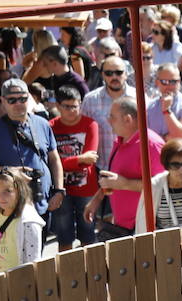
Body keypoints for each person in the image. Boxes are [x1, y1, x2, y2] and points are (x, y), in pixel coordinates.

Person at [0, 78, 65, 225]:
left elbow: (54, 159)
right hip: (10, 208)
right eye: (12, 100)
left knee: (39, 247)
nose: (18, 104)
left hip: (41, 202)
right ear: (3, 101)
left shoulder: (42, 123)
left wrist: (59, 190)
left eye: (22, 99)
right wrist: (9, 171)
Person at [86, 96, 164, 239]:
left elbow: (162, 186)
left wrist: (125, 184)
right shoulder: (120, 141)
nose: (108, 121)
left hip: (146, 228)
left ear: (128, 119)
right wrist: (97, 198)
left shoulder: (151, 145)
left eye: (112, 117)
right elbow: (113, 179)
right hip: (124, 227)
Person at [48, 85, 100, 250]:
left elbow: (90, 159)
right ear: (58, 106)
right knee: (64, 237)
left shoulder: (90, 124)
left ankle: (91, 272)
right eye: (67, 106)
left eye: (75, 106)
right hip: (61, 189)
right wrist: (79, 159)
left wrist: (63, 162)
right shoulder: (50, 127)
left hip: (86, 189)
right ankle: (66, 272)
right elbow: (50, 162)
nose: (72, 110)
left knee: (88, 234)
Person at [0, 167, 45, 273]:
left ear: (19, 190)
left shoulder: (29, 220)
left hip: (21, 280)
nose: (1, 196)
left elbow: (34, 260)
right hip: (1, 275)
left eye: (7, 191)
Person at [80, 57, 132, 172]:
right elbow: (82, 132)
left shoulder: (139, 98)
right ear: (102, 75)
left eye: (118, 72)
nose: (114, 77)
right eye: (109, 73)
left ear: (126, 74)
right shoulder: (90, 100)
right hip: (102, 168)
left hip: (132, 167)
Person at [148, 63, 182, 141]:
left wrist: (166, 111)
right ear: (157, 82)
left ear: (179, 82)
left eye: (173, 82)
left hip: (180, 152)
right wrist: (167, 137)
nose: (168, 86)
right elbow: (146, 138)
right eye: (164, 81)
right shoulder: (149, 107)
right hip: (156, 152)